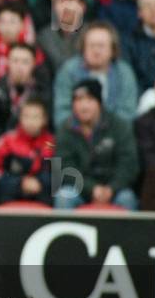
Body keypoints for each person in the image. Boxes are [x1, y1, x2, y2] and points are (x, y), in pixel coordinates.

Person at [53, 78, 139, 210]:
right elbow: (64, 168)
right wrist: (91, 189)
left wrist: (111, 188)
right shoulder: (65, 129)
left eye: (89, 99)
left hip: (114, 189)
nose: (84, 106)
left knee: (127, 198)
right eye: (78, 100)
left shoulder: (119, 126)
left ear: (99, 103)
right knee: (64, 196)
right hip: (80, 189)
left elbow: (129, 165)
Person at [0, 97, 54, 204]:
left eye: (36, 117)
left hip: (43, 196)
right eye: (26, 116)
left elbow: (58, 176)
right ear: (19, 118)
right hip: (11, 194)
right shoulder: (7, 141)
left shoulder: (51, 143)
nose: (31, 122)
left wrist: (39, 182)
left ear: (44, 119)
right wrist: (20, 183)